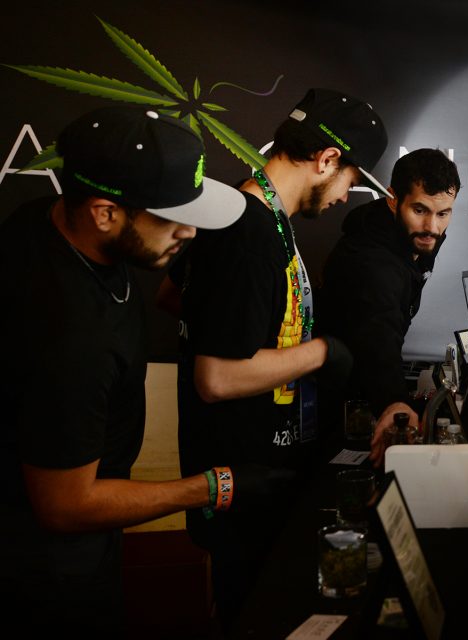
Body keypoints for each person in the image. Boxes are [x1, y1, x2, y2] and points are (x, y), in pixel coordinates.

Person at [0, 106, 248, 634]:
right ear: (105, 213)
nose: (191, 232)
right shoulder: (71, 339)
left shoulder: (42, 219)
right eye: (172, 217)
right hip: (49, 570)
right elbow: (66, 505)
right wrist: (211, 487)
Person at [174, 88, 386, 628]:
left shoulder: (258, 216)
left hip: (259, 465)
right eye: (351, 182)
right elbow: (215, 377)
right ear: (328, 160)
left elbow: (175, 297)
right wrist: (320, 353)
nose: (344, 197)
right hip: (238, 476)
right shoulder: (248, 229)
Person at [316, 148, 461, 466]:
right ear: (393, 199)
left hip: (360, 381)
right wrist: (394, 401)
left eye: (443, 213)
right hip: (328, 398)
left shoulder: (415, 237)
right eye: (420, 210)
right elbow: (379, 330)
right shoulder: (372, 262)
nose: (433, 228)